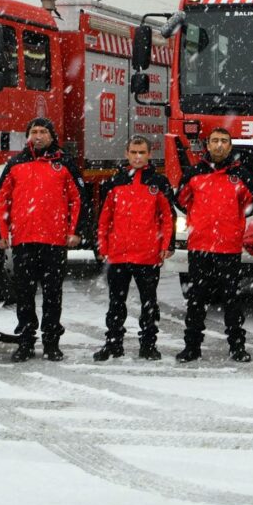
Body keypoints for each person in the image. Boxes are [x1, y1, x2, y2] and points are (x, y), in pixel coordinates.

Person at [0, 117, 85, 362]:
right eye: (34, 131)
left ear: (52, 136)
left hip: (54, 241)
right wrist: (1, 233)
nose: (38, 136)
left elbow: (78, 199)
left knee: (52, 294)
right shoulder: (16, 163)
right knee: (24, 294)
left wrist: (75, 230)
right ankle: (25, 340)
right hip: (24, 239)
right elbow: (2, 199)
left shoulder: (64, 162)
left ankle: (51, 341)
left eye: (43, 131)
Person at [174, 127, 253, 363]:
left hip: (229, 248)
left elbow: (251, 204)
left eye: (224, 141)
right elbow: (181, 201)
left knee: (232, 300)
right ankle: (192, 347)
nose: (219, 145)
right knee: (196, 300)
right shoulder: (193, 173)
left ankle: (237, 347)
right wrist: (200, 221)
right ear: (208, 146)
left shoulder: (241, 174)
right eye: (215, 141)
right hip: (200, 247)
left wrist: (233, 225)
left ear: (230, 146)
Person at [92, 136, 176, 361]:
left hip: (147, 255)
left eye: (142, 152)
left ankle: (148, 344)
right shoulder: (115, 181)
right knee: (115, 303)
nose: (137, 157)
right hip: (119, 254)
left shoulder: (158, 182)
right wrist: (102, 245)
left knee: (149, 304)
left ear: (149, 154)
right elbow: (104, 218)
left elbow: (167, 217)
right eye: (133, 152)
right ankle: (113, 344)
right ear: (127, 153)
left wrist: (167, 244)